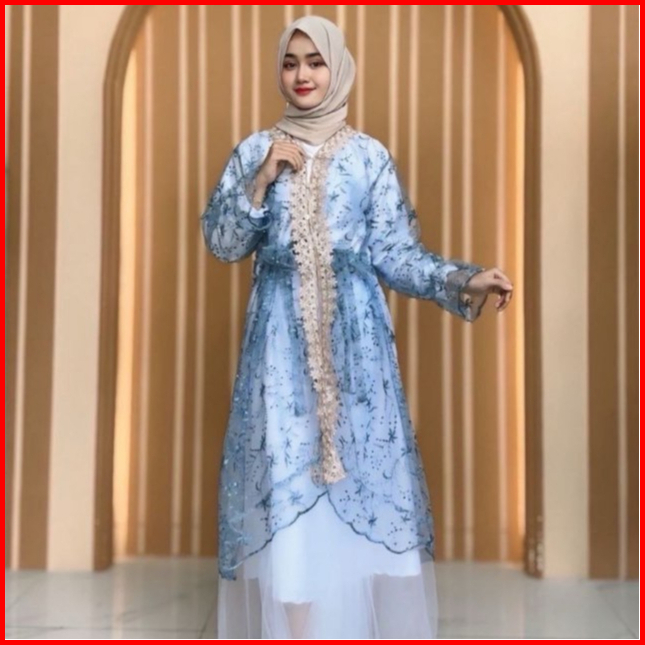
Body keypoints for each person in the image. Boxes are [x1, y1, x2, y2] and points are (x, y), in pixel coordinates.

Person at [200, 15, 513, 639]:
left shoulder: (369, 157)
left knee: (357, 486)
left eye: (315, 62)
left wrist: (465, 279)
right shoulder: (255, 150)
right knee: (287, 486)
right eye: (291, 62)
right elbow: (223, 242)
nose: (303, 75)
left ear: (338, 68)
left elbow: (395, 256)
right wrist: (261, 181)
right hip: (279, 352)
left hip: (357, 351)